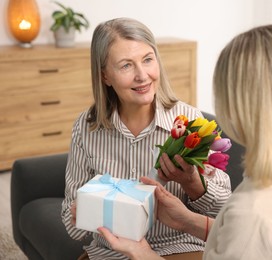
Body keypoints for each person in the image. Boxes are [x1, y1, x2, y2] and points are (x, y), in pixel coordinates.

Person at [99, 24, 272, 259]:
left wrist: (143, 253)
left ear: (239, 106)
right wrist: (188, 221)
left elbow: (251, 237)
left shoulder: (254, 215)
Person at [61, 17, 232, 260]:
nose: (143, 76)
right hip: (110, 251)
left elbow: (227, 210)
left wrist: (193, 183)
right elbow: (71, 222)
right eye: (126, 66)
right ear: (105, 76)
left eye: (148, 60)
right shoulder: (86, 128)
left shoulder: (189, 121)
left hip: (179, 246)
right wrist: (86, 212)